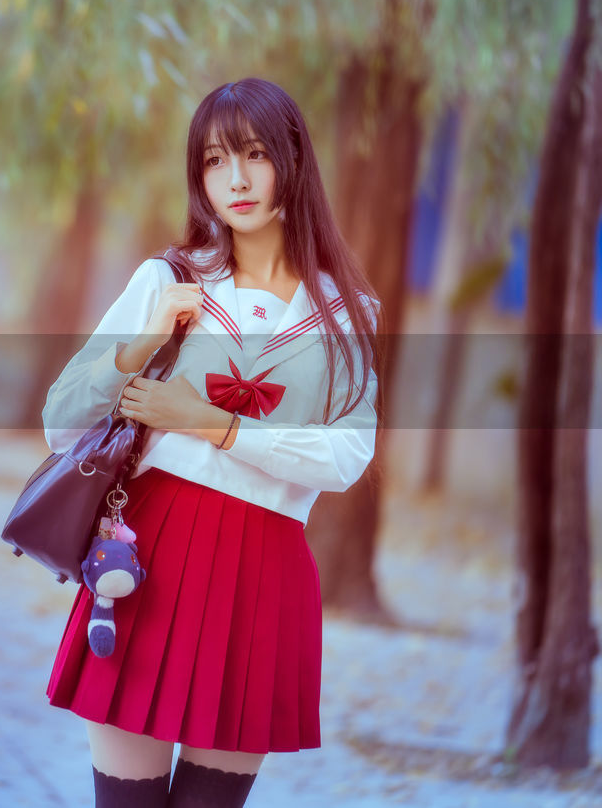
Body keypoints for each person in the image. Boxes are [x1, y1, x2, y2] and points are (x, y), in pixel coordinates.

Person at [40, 78, 382, 808]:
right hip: (149, 559)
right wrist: (143, 342)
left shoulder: (345, 315)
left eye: (255, 155)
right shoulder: (169, 280)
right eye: (215, 160)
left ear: (292, 161)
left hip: (263, 575)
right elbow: (62, 419)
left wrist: (208, 421)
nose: (236, 179)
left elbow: (347, 456)